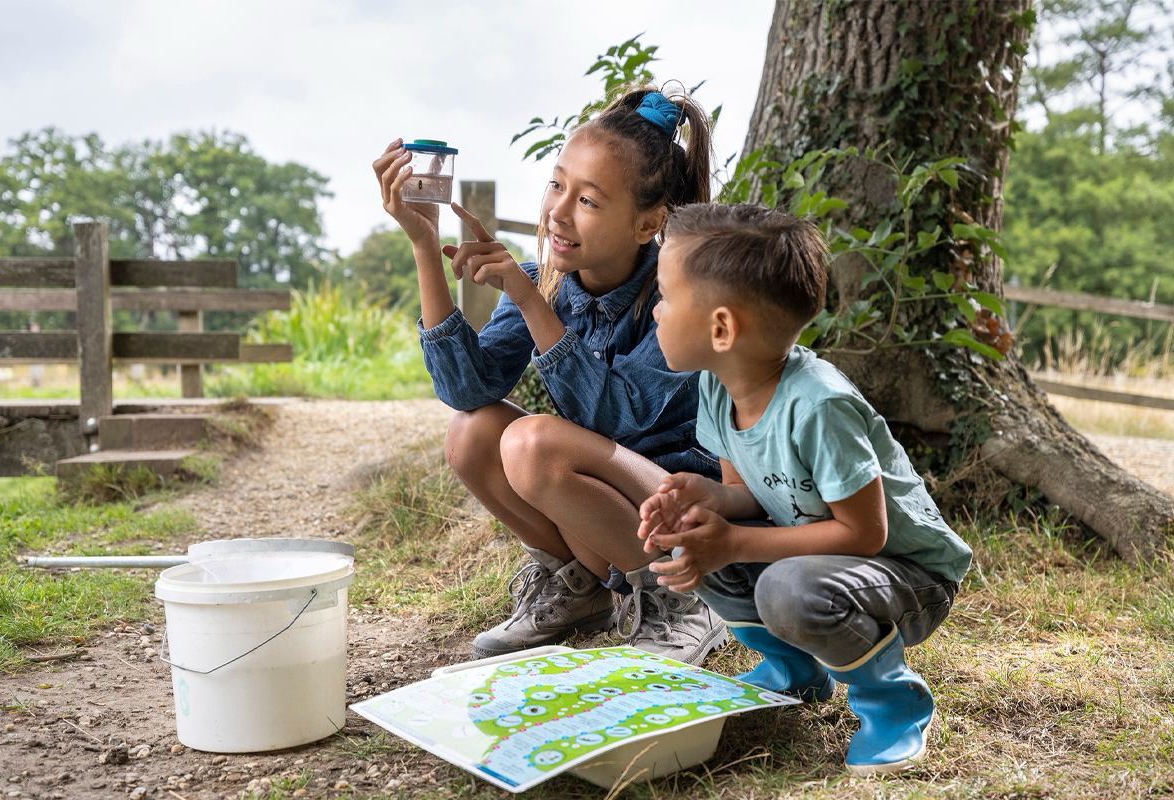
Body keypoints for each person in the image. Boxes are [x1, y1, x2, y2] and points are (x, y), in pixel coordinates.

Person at [370, 87, 729, 666]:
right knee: (471, 432)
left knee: (533, 443)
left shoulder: (676, 298)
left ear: (648, 223)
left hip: (687, 518)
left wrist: (530, 301)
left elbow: (617, 417)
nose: (558, 212)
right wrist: (425, 244)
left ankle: (683, 602)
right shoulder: (544, 283)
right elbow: (467, 391)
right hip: (609, 520)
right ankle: (579, 589)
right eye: (557, 185)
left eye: (588, 200)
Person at [637, 203, 973, 775]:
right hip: (827, 560)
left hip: (910, 576)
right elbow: (750, 494)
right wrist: (709, 499)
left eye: (665, 295)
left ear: (721, 329)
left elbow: (864, 534)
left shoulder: (819, 405)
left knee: (785, 588)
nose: (655, 310)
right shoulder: (717, 387)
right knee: (695, 539)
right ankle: (796, 670)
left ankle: (893, 701)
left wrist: (734, 543)